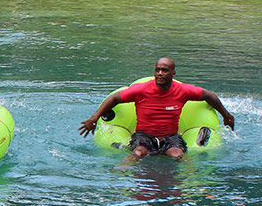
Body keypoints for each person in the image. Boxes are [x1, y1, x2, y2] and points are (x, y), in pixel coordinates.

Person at [79, 57, 235, 160]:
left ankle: (190, 181)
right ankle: (119, 177)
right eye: (157, 70)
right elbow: (114, 98)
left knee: (178, 155)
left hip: (170, 137)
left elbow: (208, 95)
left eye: (165, 70)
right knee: (139, 153)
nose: (160, 73)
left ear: (173, 73)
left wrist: (226, 115)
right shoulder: (142, 90)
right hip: (144, 136)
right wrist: (94, 118)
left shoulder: (182, 91)